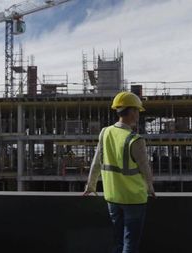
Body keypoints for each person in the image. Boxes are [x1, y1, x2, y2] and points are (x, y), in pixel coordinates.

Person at [83, 91, 155, 253]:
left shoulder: (105, 132)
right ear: (131, 112)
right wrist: (150, 187)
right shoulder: (135, 139)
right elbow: (145, 170)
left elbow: (96, 161)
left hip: (113, 196)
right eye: (137, 111)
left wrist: (91, 185)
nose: (138, 115)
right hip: (134, 198)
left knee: (118, 240)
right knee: (130, 242)